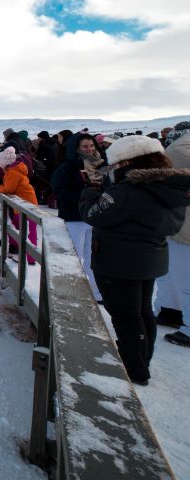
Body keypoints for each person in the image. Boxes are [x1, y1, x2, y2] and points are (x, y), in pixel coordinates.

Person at [80, 136, 190, 384]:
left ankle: (134, 370)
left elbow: (94, 214)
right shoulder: (168, 186)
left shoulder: (128, 191)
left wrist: (90, 191)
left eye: (117, 163)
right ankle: (142, 361)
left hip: (119, 261)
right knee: (141, 313)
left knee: (126, 317)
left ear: (128, 162)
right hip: (148, 258)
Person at [51, 132, 102, 299]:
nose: (89, 149)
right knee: (75, 258)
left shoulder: (101, 165)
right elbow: (60, 193)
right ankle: (71, 292)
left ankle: (95, 292)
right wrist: (86, 195)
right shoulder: (66, 169)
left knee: (94, 258)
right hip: (74, 218)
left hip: (96, 218)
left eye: (92, 145)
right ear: (76, 148)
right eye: (85, 146)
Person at [161, 125, 190, 347]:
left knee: (183, 278)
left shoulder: (179, 151)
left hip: (182, 223)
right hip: (178, 221)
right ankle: (170, 309)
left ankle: (188, 327)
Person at [0, 146, 39, 262]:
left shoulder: (12, 173)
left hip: (25, 204)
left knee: (27, 229)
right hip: (27, 202)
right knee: (26, 228)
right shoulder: (15, 170)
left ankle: (30, 258)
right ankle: (28, 256)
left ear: (4, 163)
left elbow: (8, 188)